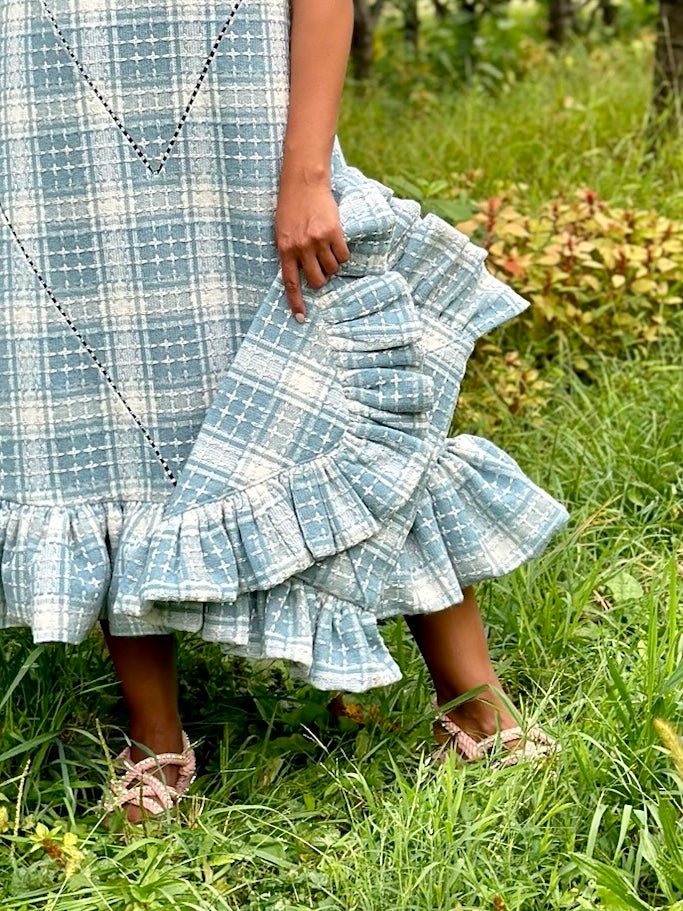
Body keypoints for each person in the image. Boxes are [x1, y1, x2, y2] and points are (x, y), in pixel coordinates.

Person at [0, 0, 569, 822]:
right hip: (47, 133)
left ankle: (476, 706)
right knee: (104, 421)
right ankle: (155, 740)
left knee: (336, 394)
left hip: (245, 127)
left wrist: (305, 174)